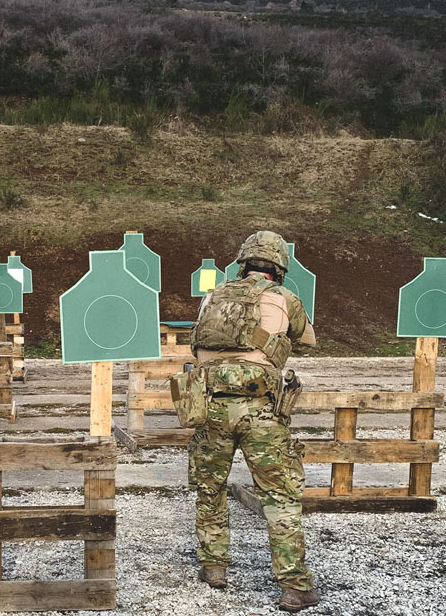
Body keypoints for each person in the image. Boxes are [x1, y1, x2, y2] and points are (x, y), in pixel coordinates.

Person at [188, 230, 319, 612]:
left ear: (242, 263)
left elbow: (197, 345)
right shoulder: (284, 298)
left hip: (210, 404)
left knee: (210, 489)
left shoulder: (212, 296)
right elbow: (306, 339)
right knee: (279, 495)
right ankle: (294, 586)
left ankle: (214, 568)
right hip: (260, 408)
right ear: (279, 269)